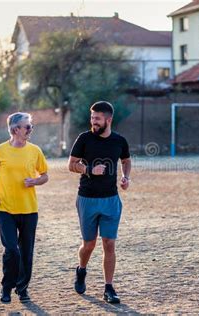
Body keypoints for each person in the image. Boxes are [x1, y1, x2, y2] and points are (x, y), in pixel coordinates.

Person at [68, 101, 131, 304]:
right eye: (92, 118)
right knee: (89, 244)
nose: (93, 122)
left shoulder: (119, 141)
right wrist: (88, 170)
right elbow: (71, 164)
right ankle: (81, 270)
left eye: (97, 118)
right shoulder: (84, 139)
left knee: (109, 243)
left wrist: (125, 177)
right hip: (87, 198)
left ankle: (109, 288)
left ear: (108, 120)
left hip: (111, 199)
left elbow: (126, 161)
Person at [0, 112, 49, 304]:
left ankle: (22, 289)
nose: (30, 130)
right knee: (12, 250)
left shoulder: (35, 151)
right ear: (15, 130)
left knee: (26, 252)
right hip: (5, 209)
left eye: (31, 126)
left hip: (29, 210)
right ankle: (6, 288)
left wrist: (35, 181)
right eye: (27, 126)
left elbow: (45, 175)